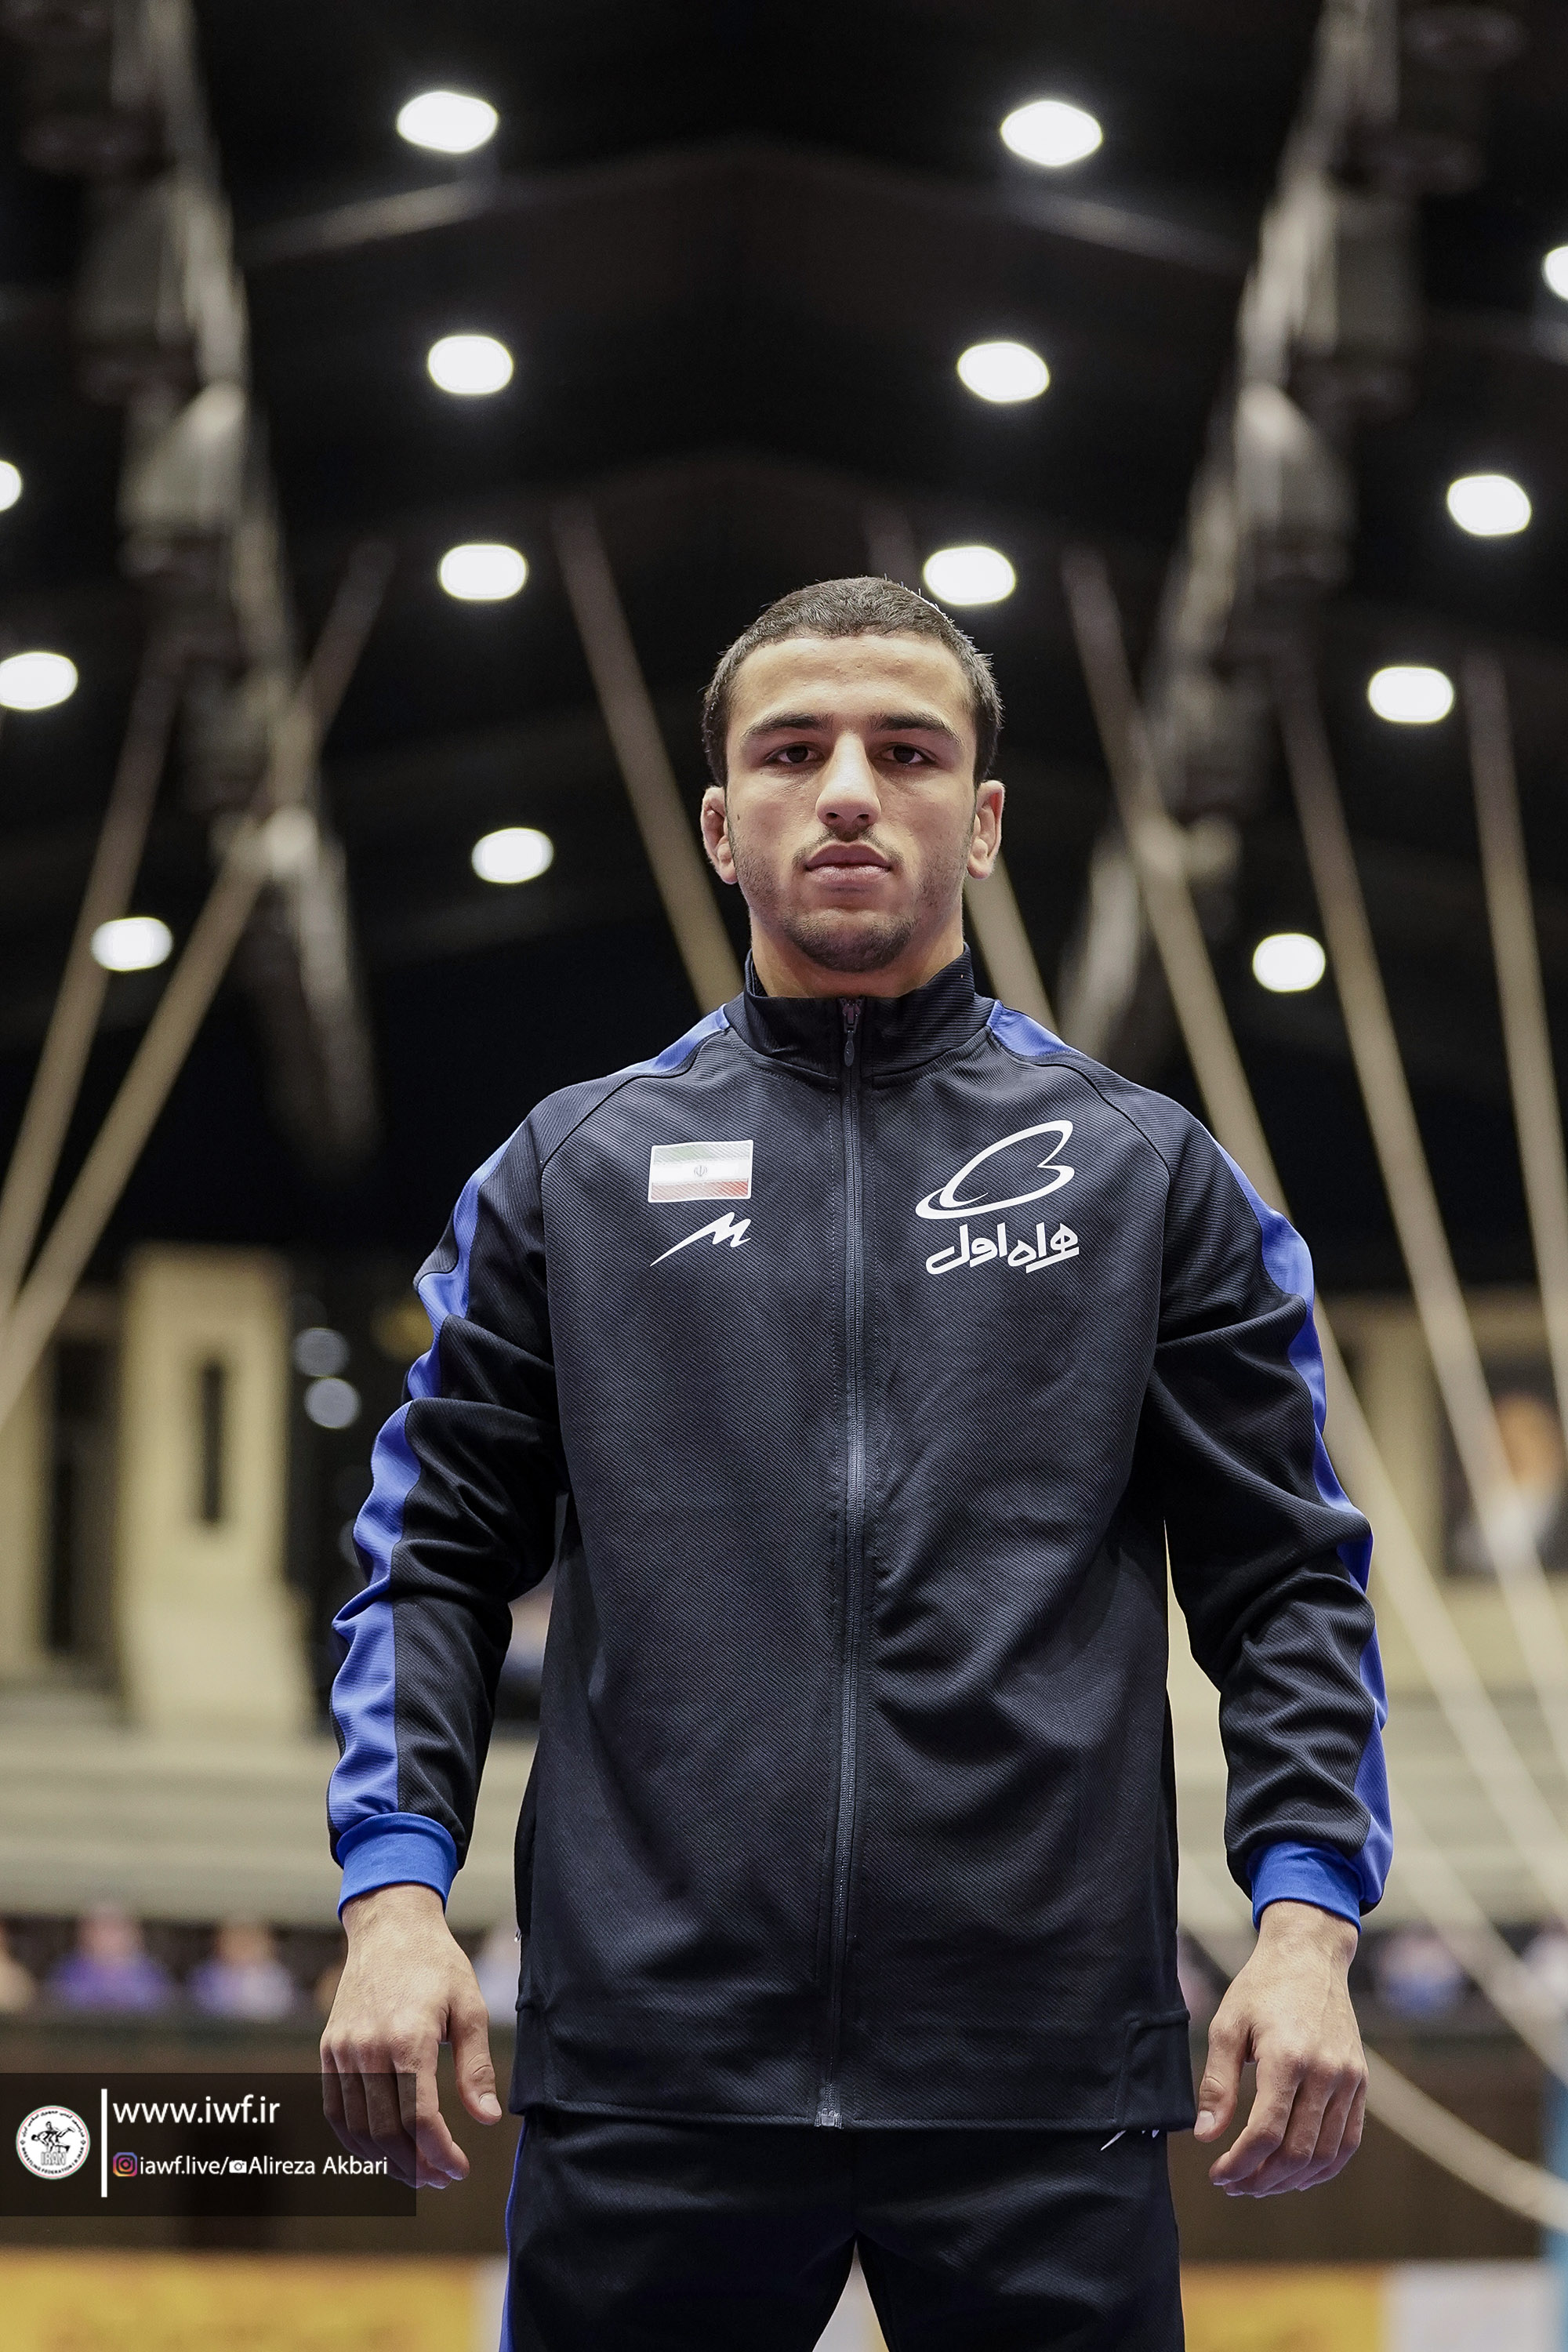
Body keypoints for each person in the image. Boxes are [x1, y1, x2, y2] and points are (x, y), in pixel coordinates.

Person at [322, 578, 1390, 2350]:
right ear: (716, 824)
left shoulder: (1142, 1176)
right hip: (653, 2073)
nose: (843, 792)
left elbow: (1287, 1588)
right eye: (789, 751)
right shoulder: (570, 1175)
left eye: (905, 752)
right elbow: (425, 1564)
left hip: (1040, 2079)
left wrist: (1303, 1929)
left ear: (982, 819)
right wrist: (389, 1899)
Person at [47, 1905, 173, 2013]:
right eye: (99, 1927)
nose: (107, 1935)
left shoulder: (151, 1978)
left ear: (135, 1933)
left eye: (116, 1927)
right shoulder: (67, 1975)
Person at [187, 1918, 299, 2020]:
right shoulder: (205, 1975)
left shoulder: (278, 1978)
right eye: (235, 1938)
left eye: (251, 1939)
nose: (243, 1945)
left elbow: (280, 2011)